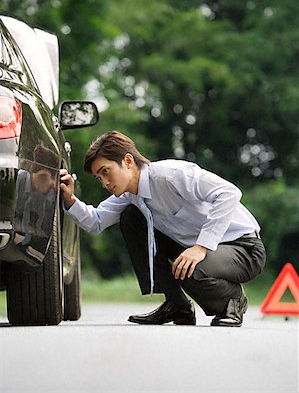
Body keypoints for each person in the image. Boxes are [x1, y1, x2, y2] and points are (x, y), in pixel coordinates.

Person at [60, 130, 266, 327]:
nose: (104, 183)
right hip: (202, 252)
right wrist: (69, 198)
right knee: (131, 217)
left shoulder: (171, 175)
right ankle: (177, 305)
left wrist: (201, 247)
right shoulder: (128, 195)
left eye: (106, 172)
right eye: (99, 177)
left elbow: (229, 193)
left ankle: (233, 300)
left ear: (128, 161)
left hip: (244, 248)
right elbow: (95, 222)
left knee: (190, 268)